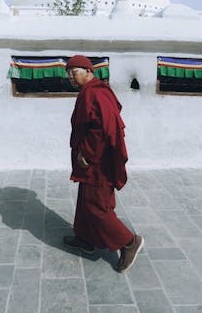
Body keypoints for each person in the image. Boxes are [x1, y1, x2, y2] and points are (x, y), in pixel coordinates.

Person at [63, 55, 143, 273]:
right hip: (90, 161)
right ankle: (85, 239)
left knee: (96, 206)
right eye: (68, 73)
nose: (70, 76)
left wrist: (87, 153)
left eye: (74, 71)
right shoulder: (87, 92)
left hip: (98, 162)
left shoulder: (97, 92)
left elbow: (104, 128)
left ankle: (129, 241)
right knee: (84, 200)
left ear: (88, 71)